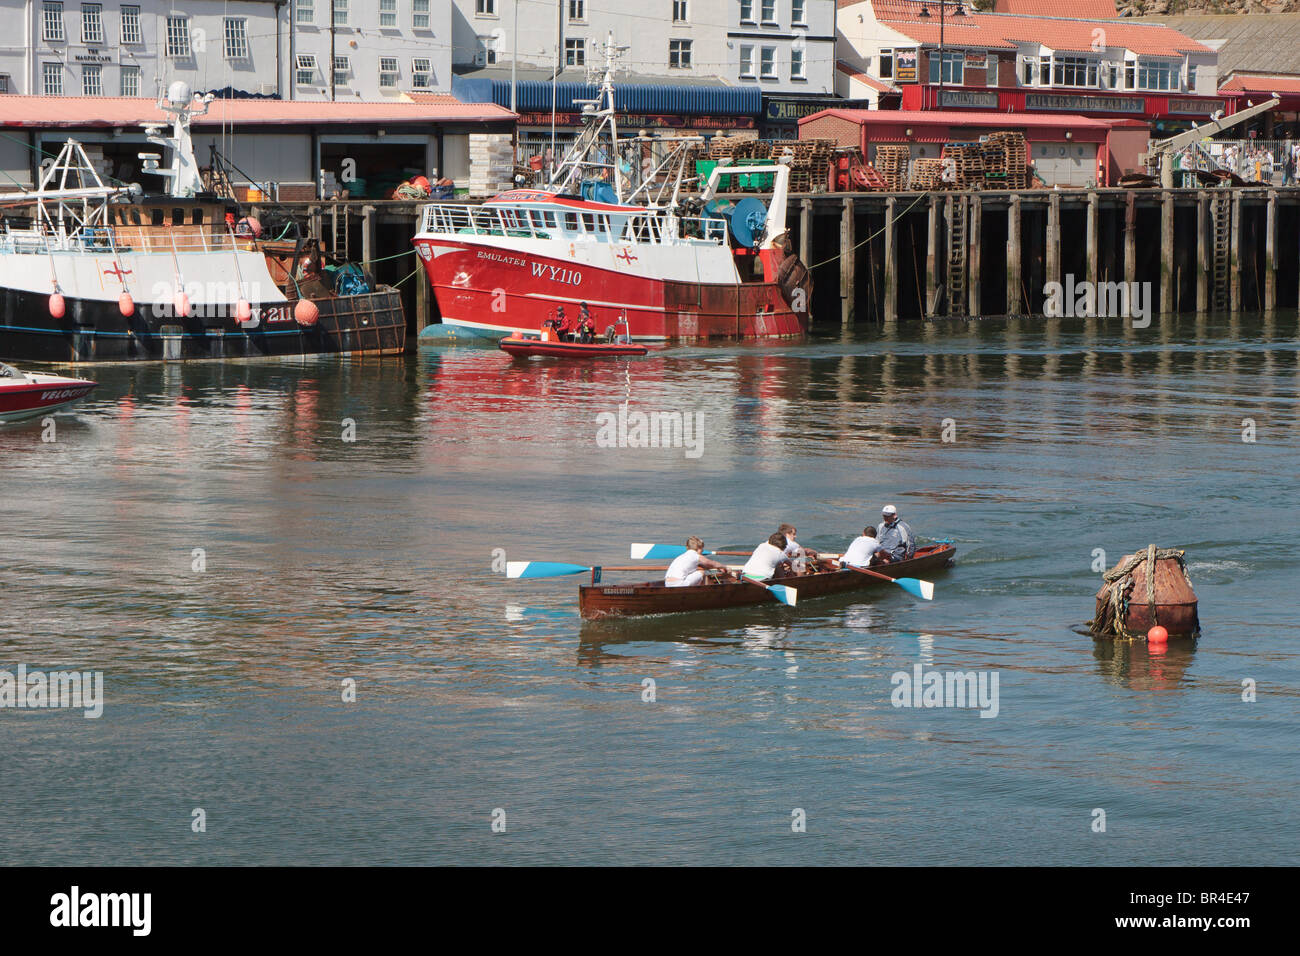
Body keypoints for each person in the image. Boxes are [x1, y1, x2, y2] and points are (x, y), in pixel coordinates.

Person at [665, 536, 730, 588]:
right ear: (699, 548)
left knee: (696, 572)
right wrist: (725, 567)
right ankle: (705, 591)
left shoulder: (682, 556)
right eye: (702, 549)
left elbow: (705, 565)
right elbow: (712, 563)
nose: (703, 551)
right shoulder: (696, 556)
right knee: (702, 572)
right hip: (679, 584)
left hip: (667, 584)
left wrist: (718, 568)